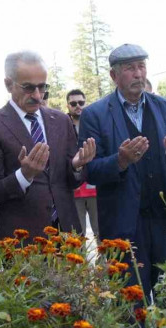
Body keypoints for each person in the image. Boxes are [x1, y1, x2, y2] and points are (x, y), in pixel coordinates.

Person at [77, 43, 166, 299]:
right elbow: (90, 172)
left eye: (142, 66)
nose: (139, 74)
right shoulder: (94, 115)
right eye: (130, 68)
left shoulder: (165, 107)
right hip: (123, 226)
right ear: (114, 76)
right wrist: (120, 161)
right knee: (130, 307)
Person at [0, 51, 94, 242]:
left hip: (67, 237)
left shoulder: (61, 120)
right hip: (22, 241)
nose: (38, 96)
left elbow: (71, 182)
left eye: (42, 87)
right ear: (8, 84)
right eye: (28, 88)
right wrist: (24, 175)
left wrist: (76, 165)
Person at [65, 89, 99, 238]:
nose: (78, 106)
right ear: (68, 106)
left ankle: (104, 262)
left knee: (100, 233)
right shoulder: (62, 127)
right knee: (78, 237)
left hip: (95, 189)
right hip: (74, 192)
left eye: (81, 102)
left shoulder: (95, 124)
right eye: (73, 103)